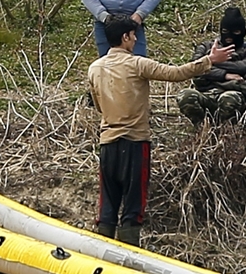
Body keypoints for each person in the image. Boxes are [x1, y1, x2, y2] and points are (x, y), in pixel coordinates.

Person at [87, 13, 230, 246]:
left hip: (107, 142)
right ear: (125, 37)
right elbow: (175, 73)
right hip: (134, 141)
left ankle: (102, 251)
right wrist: (209, 60)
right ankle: (130, 252)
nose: (134, 41)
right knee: (134, 203)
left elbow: (97, 104)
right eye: (133, 36)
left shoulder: (94, 68)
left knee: (108, 202)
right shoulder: (137, 64)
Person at [179, 7, 246, 127]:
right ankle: (203, 130)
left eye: (235, 32)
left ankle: (227, 132)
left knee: (229, 98)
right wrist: (224, 74)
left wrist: (211, 61)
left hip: (235, 95)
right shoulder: (206, 46)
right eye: (225, 31)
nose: (229, 36)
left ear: (242, 32)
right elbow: (195, 67)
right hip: (206, 92)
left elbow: (243, 67)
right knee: (185, 95)